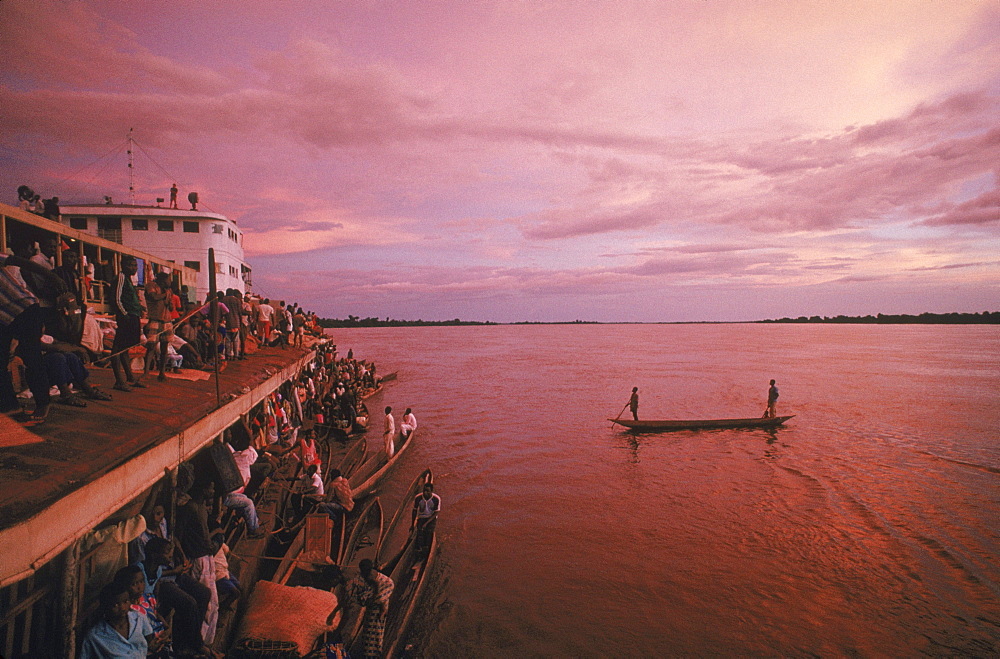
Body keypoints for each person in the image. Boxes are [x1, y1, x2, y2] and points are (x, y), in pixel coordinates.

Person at [0, 251, 66, 422]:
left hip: (24, 308)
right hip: (4, 318)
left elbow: (19, 261)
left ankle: (43, 402)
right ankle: (11, 406)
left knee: (31, 356)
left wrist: (51, 276)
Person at [174, 481, 220, 646]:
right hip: (197, 559)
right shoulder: (191, 508)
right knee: (206, 604)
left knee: (213, 604)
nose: (213, 490)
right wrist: (183, 556)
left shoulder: (201, 507)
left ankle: (205, 642)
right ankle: (198, 642)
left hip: (206, 557)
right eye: (211, 487)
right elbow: (177, 535)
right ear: (202, 488)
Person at [79, 580, 157, 659]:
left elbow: (149, 638)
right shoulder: (95, 636)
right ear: (105, 607)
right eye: (116, 605)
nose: (122, 608)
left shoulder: (139, 618)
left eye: (126, 601)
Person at [110, 256, 146, 392]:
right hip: (127, 318)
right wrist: (124, 315)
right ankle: (119, 380)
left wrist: (139, 308)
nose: (134, 268)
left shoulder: (130, 280)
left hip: (133, 316)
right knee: (117, 348)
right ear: (123, 265)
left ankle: (129, 377)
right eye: (130, 265)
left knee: (125, 347)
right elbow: (116, 299)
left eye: (135, 265)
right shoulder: (121, 277)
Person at [346, 559, 394, 659]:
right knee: (368, 636)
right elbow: (364, 599)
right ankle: (369, 655)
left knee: (376, 635)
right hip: (371, 611)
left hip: (377, 612)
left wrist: (380, 606)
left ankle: (374, 656)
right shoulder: (368, 579)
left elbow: (379, 599)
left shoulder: (386, 582)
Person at [411, 482, 440, 553]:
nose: (425, 492)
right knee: (420, 532)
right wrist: (412, 525)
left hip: (431, 517)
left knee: (429, 532)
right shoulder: (418, 498)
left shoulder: (436, 499)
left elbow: (436, 513)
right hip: (421, 517)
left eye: (427, 491)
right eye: (424, 490)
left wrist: (426, 523)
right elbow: (414, 511)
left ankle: (427, 548)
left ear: (431, 491)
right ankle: (420, 548)